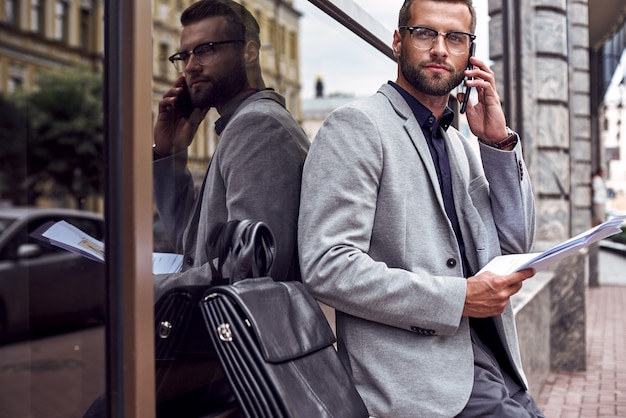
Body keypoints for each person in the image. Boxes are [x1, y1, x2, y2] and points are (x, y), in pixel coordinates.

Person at [297, 0, 544, 416]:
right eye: (426, 33)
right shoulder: (356, 126)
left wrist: (497, 144)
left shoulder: (459, 144)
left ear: (470, 54)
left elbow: (514, 242)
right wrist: (457, 298)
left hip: (493, 362)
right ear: (398, 41)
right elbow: (328, 266)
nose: (440, 49)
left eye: (456, 38)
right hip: (419, 381)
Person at [152, 0, 309, 301]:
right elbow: (192, 248)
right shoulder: (240, 124)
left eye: (206, 49)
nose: (191, 66)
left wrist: (138, 289)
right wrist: (169, 154)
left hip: (240, 341)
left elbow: (253, 267)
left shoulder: (258, 127)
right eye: (184, 55)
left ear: (249, 52)